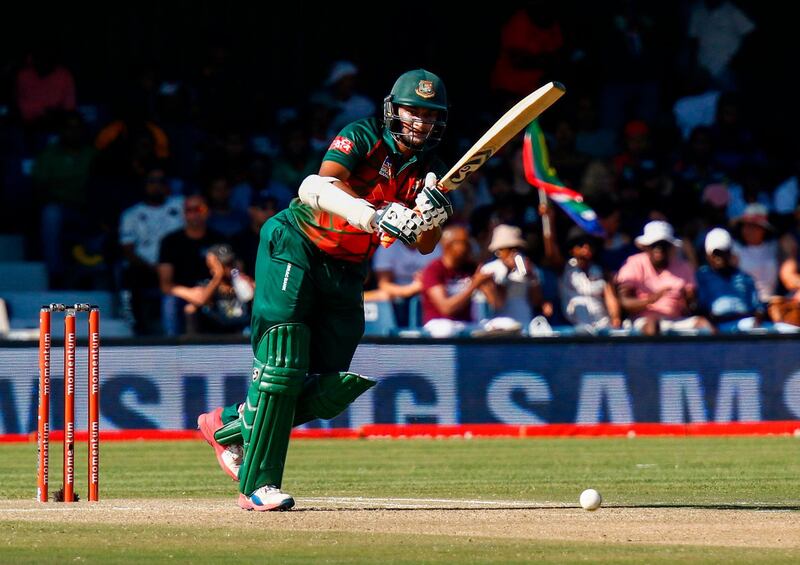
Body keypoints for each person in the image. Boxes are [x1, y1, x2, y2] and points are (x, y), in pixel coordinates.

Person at [195, 69, 453, 511]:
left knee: (326, 385)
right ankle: (258, 485)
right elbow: (315, 185)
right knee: (284, 357)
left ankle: (227, 427)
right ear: (394, 109)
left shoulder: (421, 170)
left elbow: (424, 244)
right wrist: (373, 216)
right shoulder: (363, 134)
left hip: (348, 269)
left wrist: (433, 217)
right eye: (413, 111)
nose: (420, 123)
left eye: (429, 116)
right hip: (296, 244)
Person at [616, 220, 712, 335]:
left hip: (676, 320)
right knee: (653, 324)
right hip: (644, 320)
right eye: (654, 245)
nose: (659, 249)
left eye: (663, 245)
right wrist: (651, 299)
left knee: (704, 324)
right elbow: (625, 302)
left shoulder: (684, 267)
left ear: (670, 247)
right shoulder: (634, 263)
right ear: (646, 246)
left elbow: (692, 306)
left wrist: (689, 299)